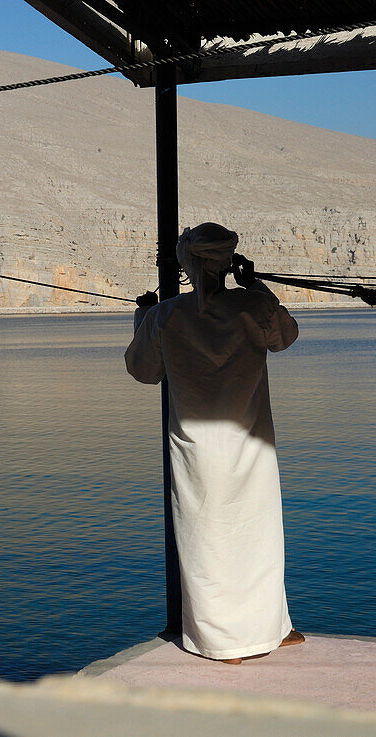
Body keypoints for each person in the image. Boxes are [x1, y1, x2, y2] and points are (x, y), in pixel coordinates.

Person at [125, 222, 303, 665]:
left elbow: (143, 370)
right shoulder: (253, 308)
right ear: (228, 261)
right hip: (250, 444)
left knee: (206, 537)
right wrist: (255, 284)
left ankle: (222, 640)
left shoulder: (166, 316)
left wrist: (142, 319)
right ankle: (266, 630)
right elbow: (287, 335)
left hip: (198, 448)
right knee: (258, 536)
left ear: (186, 264)